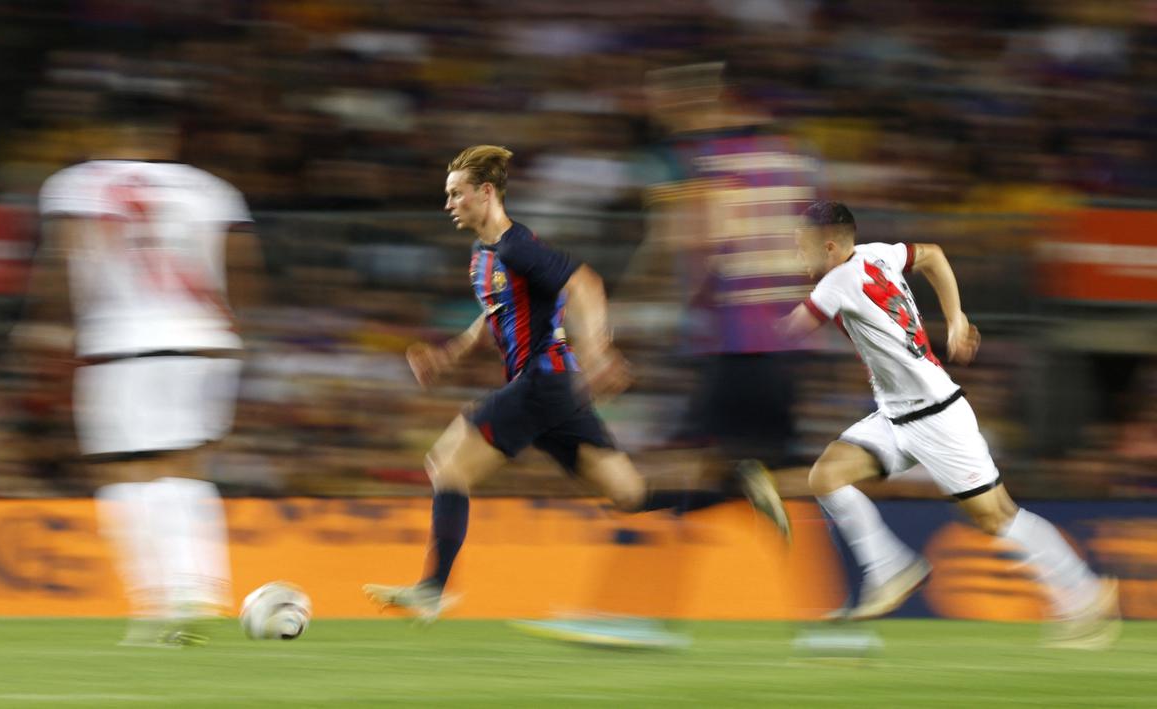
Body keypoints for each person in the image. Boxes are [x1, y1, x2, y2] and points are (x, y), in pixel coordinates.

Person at [364, 145, 789, 622]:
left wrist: (598, 351)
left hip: (543, 383)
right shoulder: (484, 254)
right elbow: (494, 314)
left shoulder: (516, 246)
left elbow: (584, 284)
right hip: (556, 391)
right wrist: (451, 353)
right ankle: (739, 488)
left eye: (456, 194)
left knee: (447, 465)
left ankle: (433, 589)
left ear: (485, 193)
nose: (449, 205)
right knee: (631, 495)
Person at [777, 200, 1118, 648]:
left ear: (828, 246)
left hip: (937, 416)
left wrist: (735, 323)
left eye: (802, 248)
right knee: (827, 475)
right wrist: (955, 317)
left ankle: (1084, 593)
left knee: (996, 517)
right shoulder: (878, 253)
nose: (799, 258)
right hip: (897, 414)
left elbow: (785, 333)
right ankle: (890, 568)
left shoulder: (836, 282)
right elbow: (933, 254)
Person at [21, 97, 263, 646]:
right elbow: (243, 268)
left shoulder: (76, 183)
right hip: (205, 341)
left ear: (101, 131)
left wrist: (46, 325)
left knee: (123, 472)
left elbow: (64, 258)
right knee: (186, 466)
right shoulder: (210, 189)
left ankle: (156, 605)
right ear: (168, 138)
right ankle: (200, 586)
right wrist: (235, 338)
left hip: (121, 340)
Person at [638, 61, 818, 492]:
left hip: (735, 335)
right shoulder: (788, 152)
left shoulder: (696, 158)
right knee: (775, 457)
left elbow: (693, 241)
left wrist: (649, 299)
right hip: (789, 332)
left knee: (691, 464)